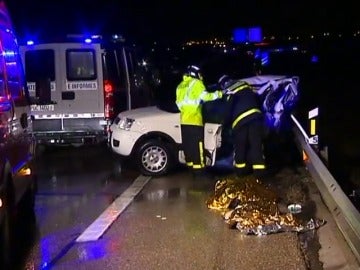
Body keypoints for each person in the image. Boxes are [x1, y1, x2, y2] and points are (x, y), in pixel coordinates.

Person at [176, 65, 224, 178]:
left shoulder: (180, 86)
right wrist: (220, 94)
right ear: (195, 73)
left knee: (188, 145)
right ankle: (200, 171)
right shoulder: (196, 83)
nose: (201, 76)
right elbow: (206, 96)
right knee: (197, 146)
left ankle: (191, 168)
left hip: (184, 120)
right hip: (194, 120)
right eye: (199, 74)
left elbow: (179, 104)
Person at [218, 75, 267, 179]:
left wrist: (223, 124)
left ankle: (241, 173)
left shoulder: (230, 90)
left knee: (240, 147)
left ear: (223, 84)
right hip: (255, 117)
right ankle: (260, 174)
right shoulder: (246, 86)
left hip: (241, 121)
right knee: (256, 145)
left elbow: (228, 109)